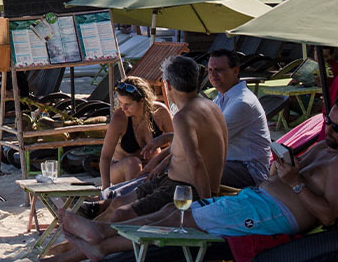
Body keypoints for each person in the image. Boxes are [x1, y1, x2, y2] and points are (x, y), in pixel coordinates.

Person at [59, 103, 338, 258]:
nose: (328, 128)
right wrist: (282, 172)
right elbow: (289, 178)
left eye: (335, 126)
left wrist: (294, 182)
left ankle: (101, 240)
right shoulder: (324, 146)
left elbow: (328, 216)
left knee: (178, 223)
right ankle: (101, 237)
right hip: (256, 200)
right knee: (171, 211)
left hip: (270, 214)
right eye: (328, 119)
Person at [51, 56, 227, 262]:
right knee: (118, 203)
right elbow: (195, 147)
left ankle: (87, 241)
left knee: (120, 215)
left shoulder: (182, 116)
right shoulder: (211, 107)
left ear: (167, 84)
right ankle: (70, 250)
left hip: (184, 189)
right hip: (170, 181)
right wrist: (162, 150)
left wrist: (205, 204)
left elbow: (196, 163)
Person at [207, 48, 272, 188]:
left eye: (219, 70)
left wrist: (169, 140)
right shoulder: (221, 98)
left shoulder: (242, 102)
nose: (213, 75)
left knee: (191, 170)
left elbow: (208, 138)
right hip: (231, 164)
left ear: (235, 71)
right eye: (210, 70)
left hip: (249, 171)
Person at [97, 77, 174, 192]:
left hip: (152, 165)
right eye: (120, 102)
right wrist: (106, 188)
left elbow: (178, 141)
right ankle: (133, 201)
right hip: (121, 167)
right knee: (133, 163)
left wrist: (160, 162)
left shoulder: (160, 112)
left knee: (174, 160)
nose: (123, 108)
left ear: (142, 102)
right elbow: (105, 157)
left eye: (127, 104)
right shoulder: (119, 117)